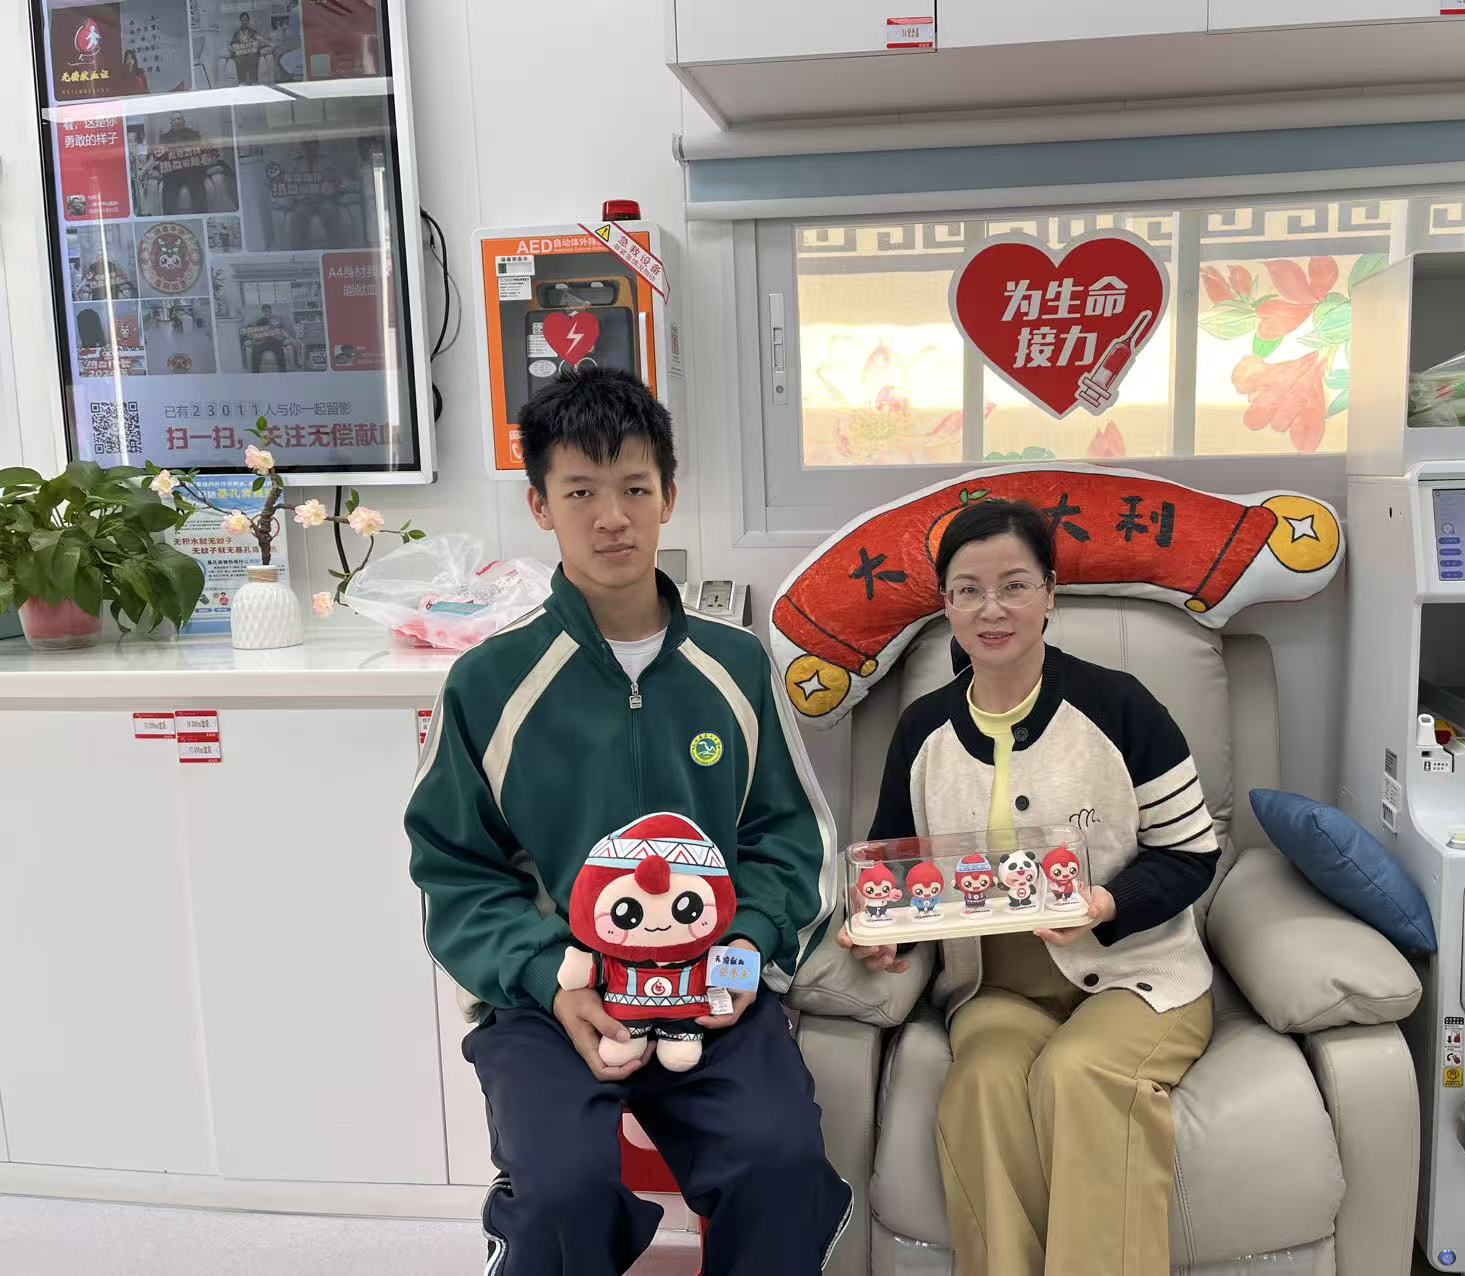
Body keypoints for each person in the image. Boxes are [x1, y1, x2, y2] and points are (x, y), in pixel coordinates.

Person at [406, 366, 851, 1276]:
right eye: (580, 492)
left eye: (635, 489)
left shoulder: (736, 664)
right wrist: (549, 979)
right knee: (561, 1191)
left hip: (710, 986)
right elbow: (456, 871)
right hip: (550, 997)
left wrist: (742, 954)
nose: (612, 517)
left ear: (669, 497)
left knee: (781, 1165)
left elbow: (789, 839)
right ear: (540, 505)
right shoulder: (488, 683)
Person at [840, 498, 1219, 1276]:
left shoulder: (1122, 707)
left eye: (1014, 585)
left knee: (1077, 1073)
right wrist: (882, 934)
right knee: (980, 1085)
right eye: (968, 590)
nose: (992, 609)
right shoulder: (921, 732)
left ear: (1050, 592)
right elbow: (900, 878)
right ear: (946, 605)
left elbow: (1190, 854)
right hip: (997, 986)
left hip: (1137, 974)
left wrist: (1108, 904)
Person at [228, 12, 271, 85]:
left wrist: (267, 43)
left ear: (248, 21)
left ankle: (253, 81)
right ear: (240, 21)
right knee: (238, 58)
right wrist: (233, 49)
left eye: (246, 20)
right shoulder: (237, 33)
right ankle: (242, 82)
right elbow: (231, 44)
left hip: (251, 54)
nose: (244, 22)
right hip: (241, 55)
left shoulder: (253, 32)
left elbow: (260, 40)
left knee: (254, 56)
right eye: (243, 20)